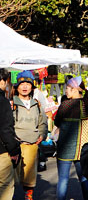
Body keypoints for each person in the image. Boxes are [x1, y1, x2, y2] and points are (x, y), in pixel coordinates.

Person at [54, 76, 88, 200]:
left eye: (68, 89)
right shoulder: (87, 106)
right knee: (84, 178)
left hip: (65, 149)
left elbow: (57, 123)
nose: (65, 91)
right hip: (83, 148)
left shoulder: (65, 105)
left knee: (63, 180)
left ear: (75, 90)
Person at [12, 70, 47, 200]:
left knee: (30, 177)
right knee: (11, 177)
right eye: (22, 84)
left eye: (28, 84)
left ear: (32, 86)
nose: (25, 86)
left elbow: (43, 123)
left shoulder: (36, 104)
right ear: (17, 87)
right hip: (15, 145)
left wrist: (42, 135)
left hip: (32, 145)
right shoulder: (11, 104)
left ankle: (29, 197)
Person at [0, 68, 20, 200]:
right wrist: (14, 150)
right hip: (2, 151)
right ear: (2, 82)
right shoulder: (2, 102)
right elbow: (5, 129)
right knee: (5, 186)